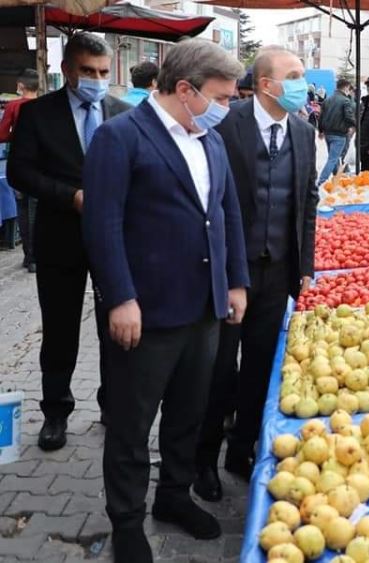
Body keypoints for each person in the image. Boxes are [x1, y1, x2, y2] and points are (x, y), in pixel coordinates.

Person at [81, 38, 249, 562]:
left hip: (205, 309)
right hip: (145, 313)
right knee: (132, 426)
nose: (228, 106)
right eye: (221, 95)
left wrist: (237, 281)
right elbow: (102, 224)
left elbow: (227, 215)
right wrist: (120, 298)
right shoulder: (120, 137)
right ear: (184, 89)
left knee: (189, 414)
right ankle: (126, 521)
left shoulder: (210, 140)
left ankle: (173, 496)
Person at [194, 47, 319, 499]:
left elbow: (308, 201)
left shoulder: (304, 132)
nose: (304, 84)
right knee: (219, 370)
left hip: (278, 271)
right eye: (295, 75)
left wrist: (305, 267)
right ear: (267, 84)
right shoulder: (228, 123)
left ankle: (241, 450)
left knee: (260, 367)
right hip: (231, 272)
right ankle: (202, 459)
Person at [7, 33, 130, 451]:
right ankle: (56, 413)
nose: (96, 79)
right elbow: (19, 174)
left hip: (113, 241)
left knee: (115, 327)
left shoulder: (122, 113)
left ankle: (114, 405)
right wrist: (70, 196)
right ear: (67, 71)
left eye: (102, 72)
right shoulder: (39, 114)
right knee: (59, 331)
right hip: (60, 238)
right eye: (87, 71)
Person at [0, 68, 39, 272]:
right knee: (37, 209)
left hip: (19, 164)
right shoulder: (46, 105)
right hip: (42, 165)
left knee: (22, 208)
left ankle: (28, 256)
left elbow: (2, 135)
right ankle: (36, 257)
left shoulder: (13, 106)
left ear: (21, 86)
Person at [317, 78, 356, 185]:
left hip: (328, 134)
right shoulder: (345, 101)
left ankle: (336, 180)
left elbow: (321, 117)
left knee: (333, 158)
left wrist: (321, 130)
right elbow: (349, 117)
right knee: (333, 159)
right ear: (346, 87)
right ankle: (322, 181)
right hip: (340, 134)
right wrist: (354, 125)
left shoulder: (327, 100)